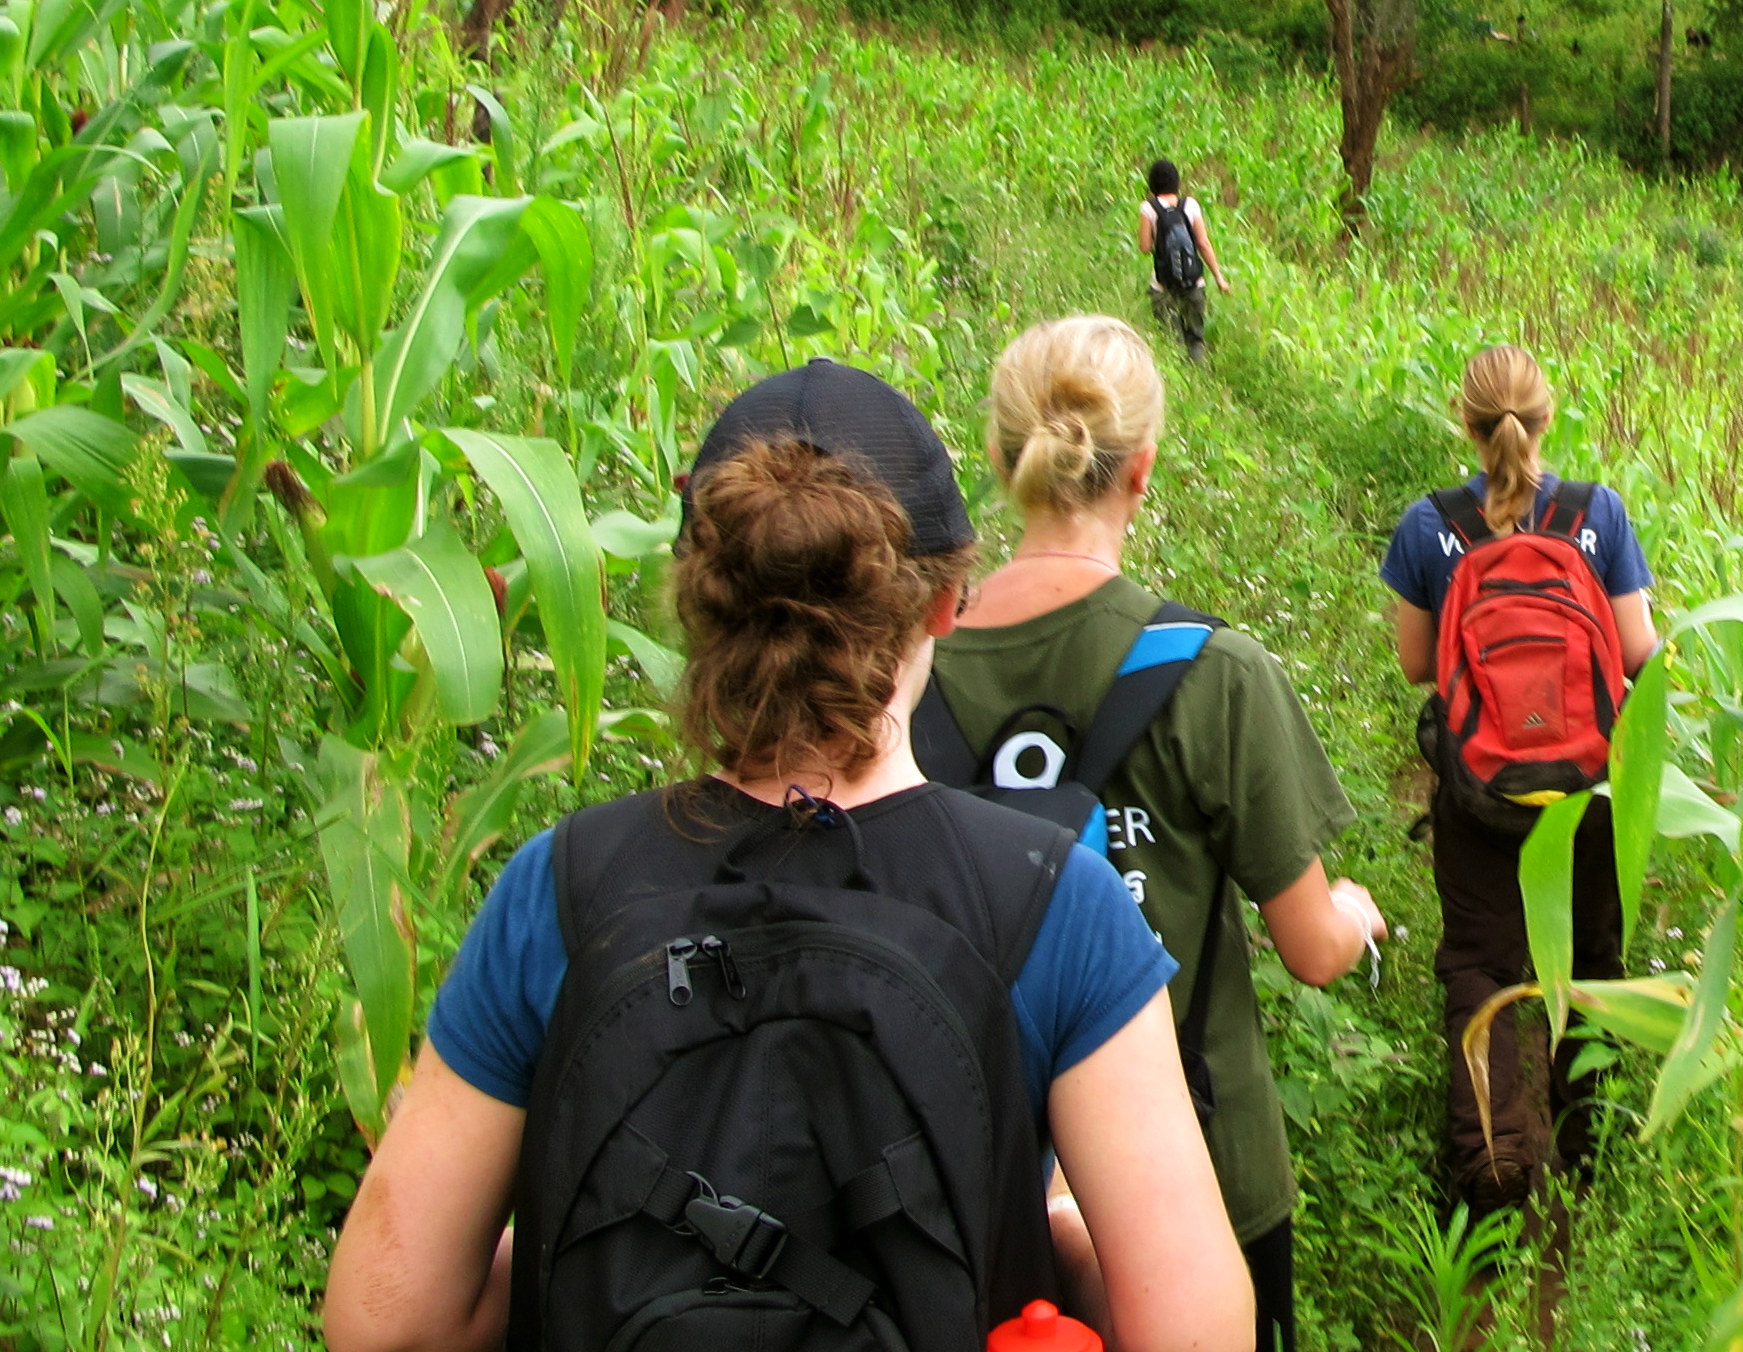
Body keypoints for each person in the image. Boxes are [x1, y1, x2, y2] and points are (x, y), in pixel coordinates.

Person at [323, 359, 1252, 1352]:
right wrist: (1057, 1240)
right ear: (945, 602)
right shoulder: (1056, 901)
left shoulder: (558, 887)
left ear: (697, 597)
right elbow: (1193, 1332)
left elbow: (388, 1319)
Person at [922, 315, 1383, 1352]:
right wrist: (1353, 911)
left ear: (1000, 459)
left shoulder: (915, 671)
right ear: (1144, 470)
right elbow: (1310, 947)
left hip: (967, 1180)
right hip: (1201, 1185)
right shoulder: (1215, 671)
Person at [1377, 344, 1657, 1214]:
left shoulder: (1429, 525)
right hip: (1588, 792)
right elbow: (1640, 653)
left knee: (1479, 964)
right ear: (1548, 418)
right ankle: (1591, 1151)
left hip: (1479, 793)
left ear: (1463, 421)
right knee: (1593, 964)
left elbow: (1419, 664)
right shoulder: (1596, 515)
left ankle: (1491, 1162)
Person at [1137, 158, 1229, 361]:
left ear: (1152, 183)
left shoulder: (1148, 208)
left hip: (1163, 286)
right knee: (1196, 339)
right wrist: (1219, 277)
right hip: (1193, 283)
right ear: (1176, 182)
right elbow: (1203, 244)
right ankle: (1200, 379)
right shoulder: (1191, 205)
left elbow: (1144, 247)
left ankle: (1181, 385)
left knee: (1173, 341)